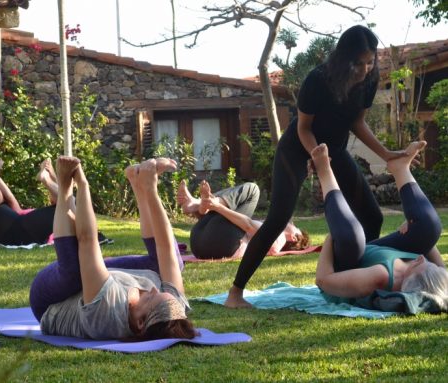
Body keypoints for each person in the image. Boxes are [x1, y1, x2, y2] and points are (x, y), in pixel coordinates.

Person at [225, 25, 408, 308]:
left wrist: (386, 153)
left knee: (372, 216)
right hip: (297, 147)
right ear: (343, 58)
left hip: (334, 148)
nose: (364, 69)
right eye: (358, 63)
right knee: (278, 218)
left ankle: (352, 282)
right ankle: (235, 294)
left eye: (370, 62)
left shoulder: (370, 80)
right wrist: (316, 157)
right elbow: (304, 128)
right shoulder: (318, 79)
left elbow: (357, 123)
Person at [29, 156, 196, 340]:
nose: (155, 289)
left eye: (150, 298)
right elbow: (165, 247)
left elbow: (86, 240)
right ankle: (137, 182)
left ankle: (64, 186)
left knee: (74, 272)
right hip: (112, 280)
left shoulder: (108, 310)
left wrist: (80, 182)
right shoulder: (174, 309)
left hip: (48, 299)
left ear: (140, 323)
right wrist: (150, 188)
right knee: (172, 264)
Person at [312, 141, 447, 311]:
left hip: (345, 265)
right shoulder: (429, 279)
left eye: (425, 263)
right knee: (428, 229)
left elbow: (323, 280)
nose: (421, 257)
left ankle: (324, 172)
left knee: (351, 237)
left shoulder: (380, 276)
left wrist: (331, 239)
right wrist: (414, 229)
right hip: (373, 254)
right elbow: (430, 246)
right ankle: (400, 168)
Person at [178, 180, 309, 259]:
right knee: (227, 207)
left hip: (221, 245)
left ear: (294, 237)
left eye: (294, 226)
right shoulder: (273, 232)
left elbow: (248, 226)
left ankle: (198, 204)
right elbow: (217, 225)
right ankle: (197, 206)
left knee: (252, 189)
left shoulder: (278, 238)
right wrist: (215, 208)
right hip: (199, 243)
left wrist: (217, 206)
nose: (290, 222)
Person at [0, 158, 58, 245]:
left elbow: (11, 199)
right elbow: (61, 202)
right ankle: (47, 179)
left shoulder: (23, 215)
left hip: (1, 233)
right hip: (26, 235)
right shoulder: (37, 219)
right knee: (68, 204)